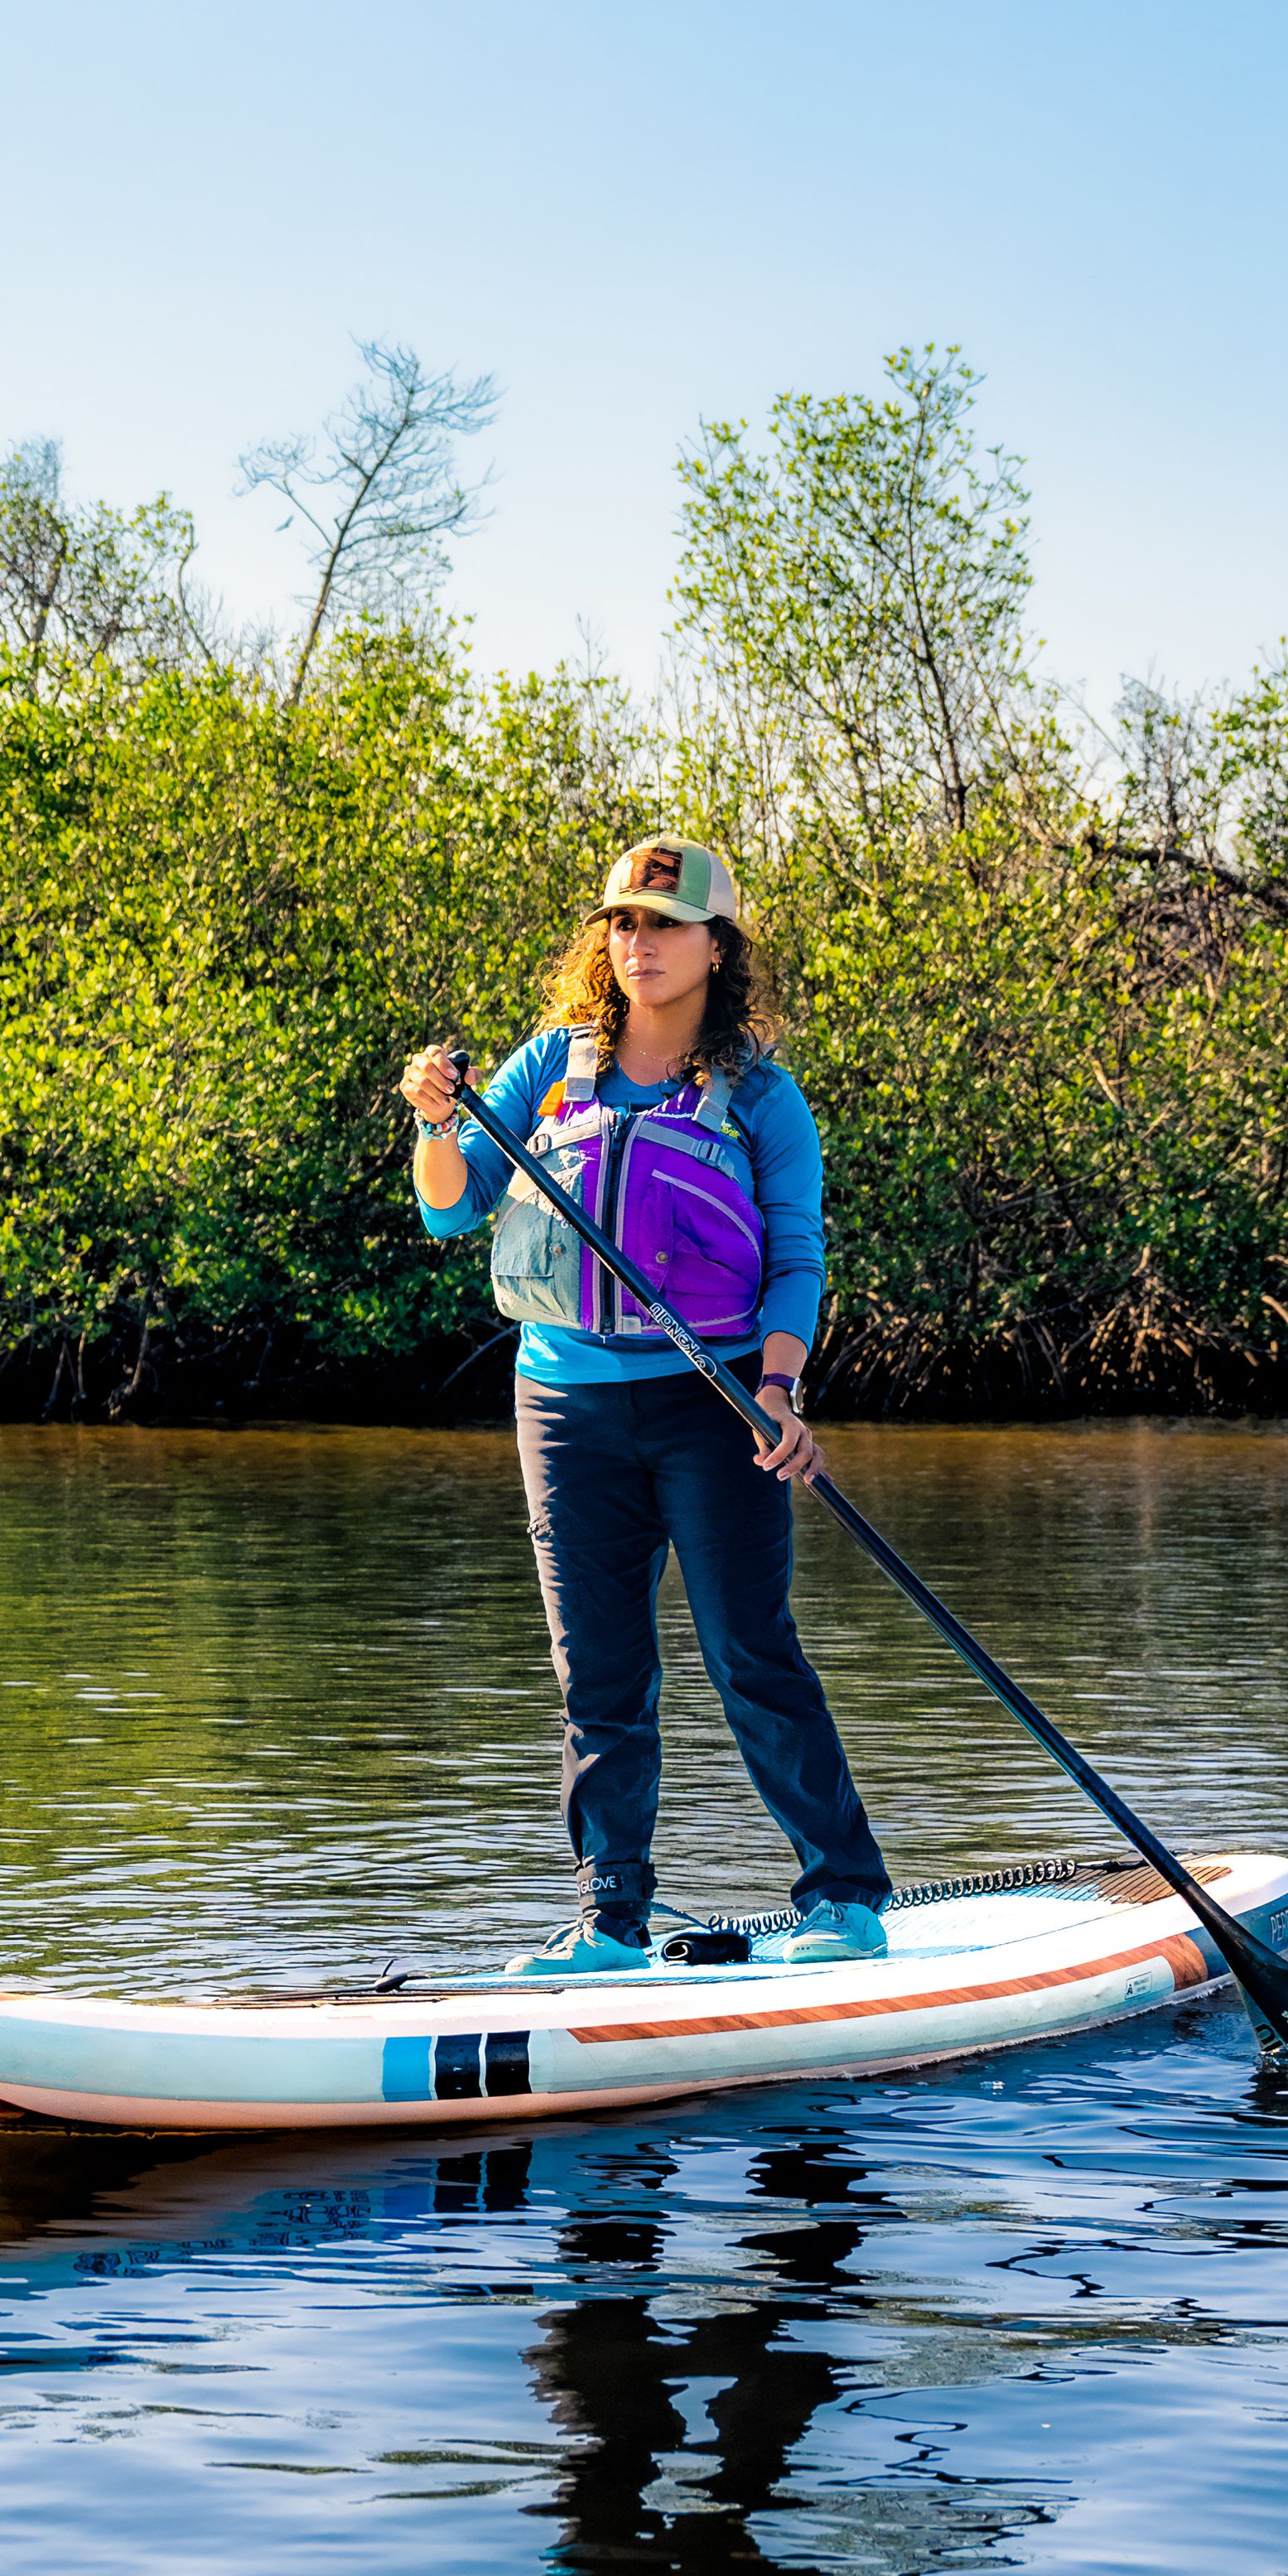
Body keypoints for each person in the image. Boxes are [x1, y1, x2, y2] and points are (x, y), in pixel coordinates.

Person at [395, 834, 900, 1975]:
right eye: (624, 921)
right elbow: (449, 1208)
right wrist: (435, 1121)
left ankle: (845, 1894)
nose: (640, 942)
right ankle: (609, 1921)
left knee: (750, 1651)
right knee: (600, 1672)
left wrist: (778, 1389)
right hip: (564, 1408)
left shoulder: (762, 1097)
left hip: (715, 1404)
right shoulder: (542, 1069)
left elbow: (797, 1260)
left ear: (718, 946)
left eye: (666, 923)